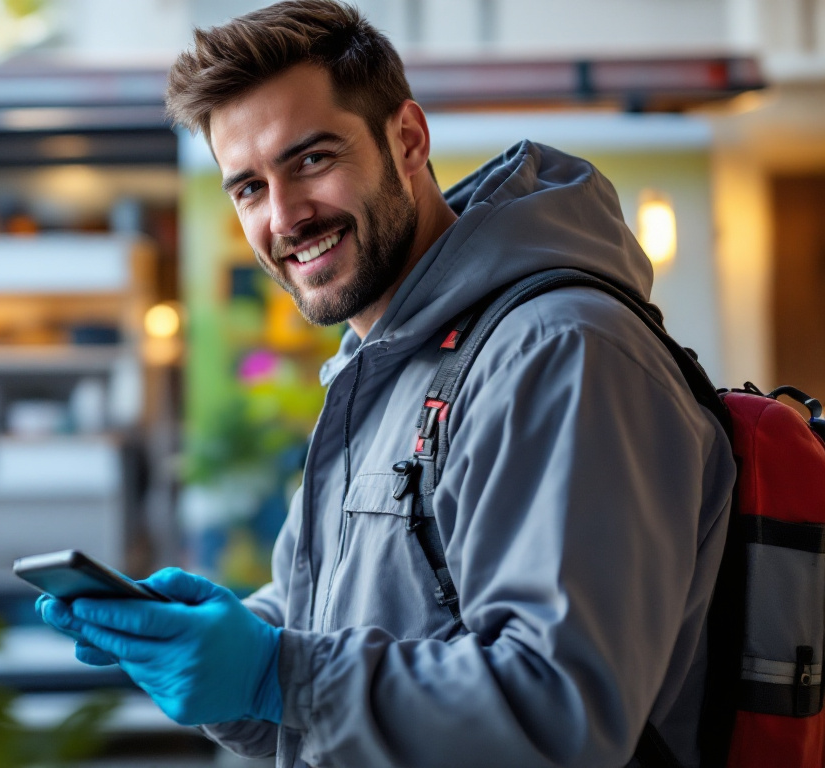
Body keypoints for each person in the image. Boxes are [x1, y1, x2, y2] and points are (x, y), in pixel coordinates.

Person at [36, 1, 735, 765]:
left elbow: (562, 709)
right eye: (248, 188)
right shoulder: (378, 368)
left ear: (407, 140)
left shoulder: (559, 351)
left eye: (310, 160)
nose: (285, 217)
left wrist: (276, 672)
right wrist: (231, 654)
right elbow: (338, 664)